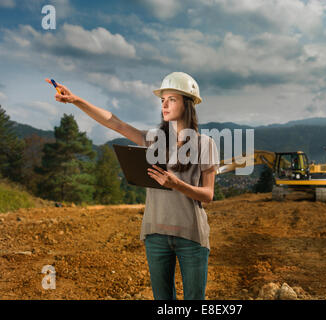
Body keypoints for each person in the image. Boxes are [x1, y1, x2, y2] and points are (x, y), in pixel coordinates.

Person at [53, 72, 220, 300]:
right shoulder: (153, 139)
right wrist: (76, 100)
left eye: (171, 99)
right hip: (156, 236)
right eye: (162, 100)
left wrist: (177, 184)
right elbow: (115, 123)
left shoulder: (205, 144)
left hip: (191, 237)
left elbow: (208, 195)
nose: (164, 104)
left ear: (187, 103)